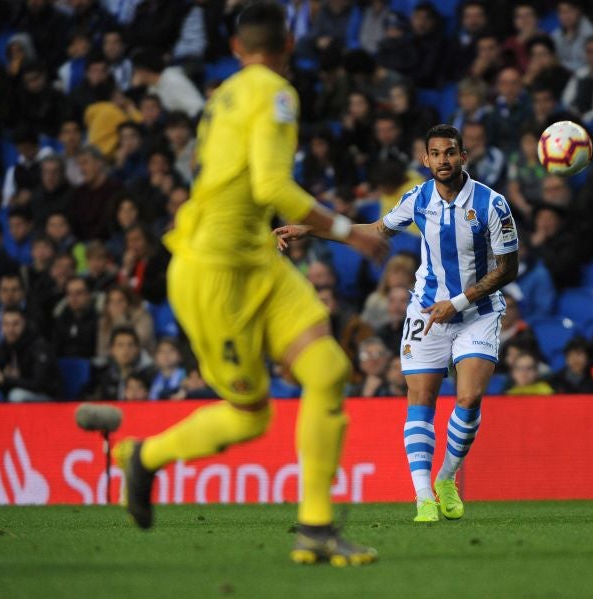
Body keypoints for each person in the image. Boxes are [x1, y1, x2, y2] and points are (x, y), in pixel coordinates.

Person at [112, 3, 384, 566]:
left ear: (237, 49)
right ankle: (145, 458)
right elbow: (271, 185)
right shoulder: (277, 93)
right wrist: (344, 231)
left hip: (254, 259)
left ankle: (315, 527)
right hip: (213, 275)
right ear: (288, 45)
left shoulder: (225, 93)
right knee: (250, 415)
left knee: (329, 369)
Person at [278, 123, 519, 523]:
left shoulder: (492, 205)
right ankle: (424, 495)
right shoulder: (417, 198)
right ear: (425, 160)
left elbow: (507, 268)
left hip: (477, 311)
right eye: (436, 154)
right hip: (427, 311)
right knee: (420, 399)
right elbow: (376, 229)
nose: (443, 160)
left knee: (469, 398)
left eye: (450, 153)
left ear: (463, 157)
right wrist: (312, 229)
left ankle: (446, 478)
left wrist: (457, 301)